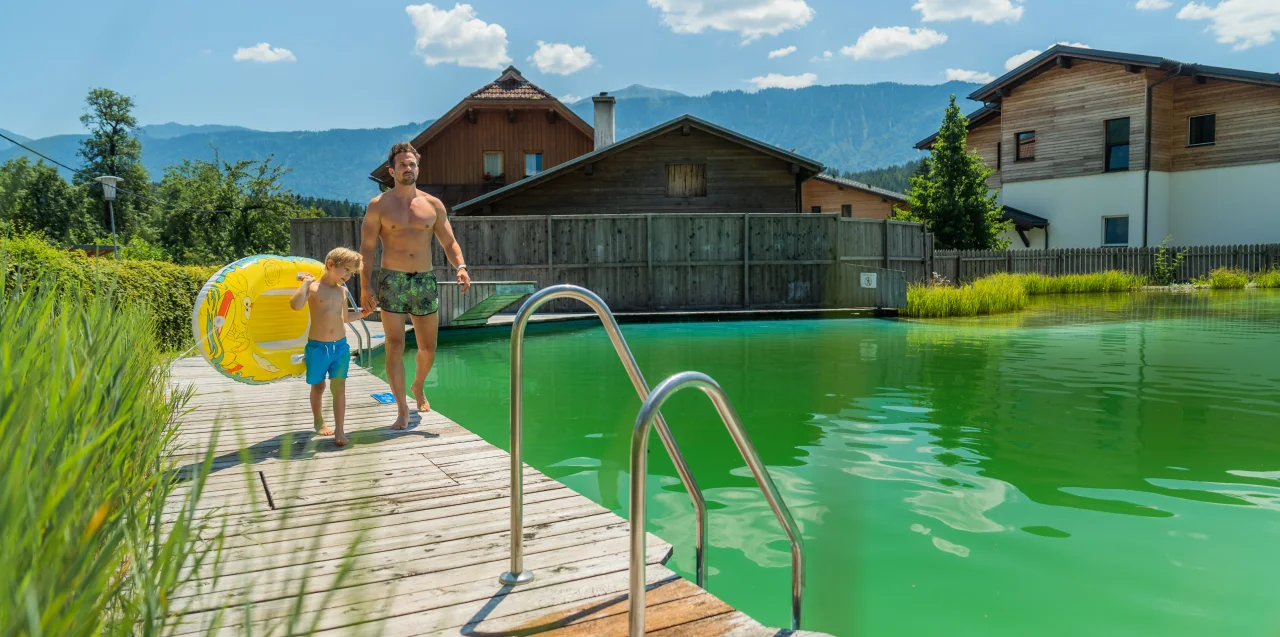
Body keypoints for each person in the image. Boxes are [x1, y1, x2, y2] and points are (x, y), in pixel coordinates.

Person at [360, 142, 470, 430]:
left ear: (417, 168)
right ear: (392, 171)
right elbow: (367, 249)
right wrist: (365, 286)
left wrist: (460, 266)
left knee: (428, 348)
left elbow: (449, 242)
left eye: (412, 164)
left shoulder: (433, 205)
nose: (408, 168)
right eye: (402, 165)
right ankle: (401, 409)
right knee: (395, 346)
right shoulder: (378, 206)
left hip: (424, 280)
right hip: (391, 280)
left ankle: (418, 386)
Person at [291, 247, 365, 446]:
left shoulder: (342, 291)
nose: (349, 276)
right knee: (319, 386)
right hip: (317, 348)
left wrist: (365, 313)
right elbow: (296, 305)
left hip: (340, 348)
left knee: (339, 388)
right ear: (331, 265)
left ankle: (339, 429)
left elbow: (345, 317)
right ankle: (319, 421)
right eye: (346, 270)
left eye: (352, 273)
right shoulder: (313, 288)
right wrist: (306, 283)